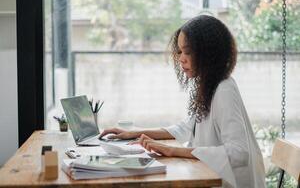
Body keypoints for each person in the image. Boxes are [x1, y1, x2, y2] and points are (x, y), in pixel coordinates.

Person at [100, 15, 266, 188]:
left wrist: (173, 150)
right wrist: (134, 133)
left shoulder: (223, 89)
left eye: (188, 52)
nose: (181, 59)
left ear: (208, 53)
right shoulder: (209, 84)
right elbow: (186, 127)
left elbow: (240, 153)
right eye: (180, 52)